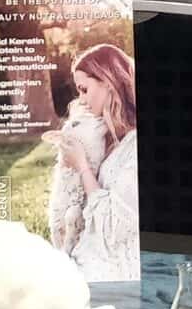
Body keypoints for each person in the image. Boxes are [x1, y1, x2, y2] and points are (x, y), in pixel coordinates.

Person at [48, 42, 139, 280]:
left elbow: (113, 227)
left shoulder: (135, 146)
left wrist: (82, 166)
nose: (81, 100)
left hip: (112, 265)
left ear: (107, 82)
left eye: (84, 89)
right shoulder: (109, 137)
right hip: (86, 251)